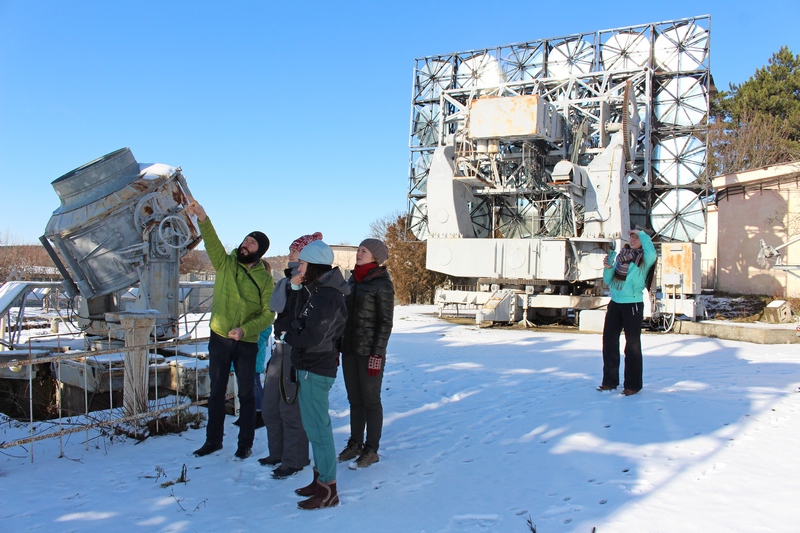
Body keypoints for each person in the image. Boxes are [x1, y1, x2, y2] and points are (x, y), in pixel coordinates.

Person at [184, 197, 274, 459]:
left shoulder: (264, 280)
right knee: (216, 393)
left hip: (246, 342)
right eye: (245, 240)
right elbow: (212, 241)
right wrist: (202, 216)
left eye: (252, 243)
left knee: (246, 395)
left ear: (260, 251)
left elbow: (268, 314)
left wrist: (245, 330)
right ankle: (213, 441)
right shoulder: (225, 264)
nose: (246, 245)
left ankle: (244, 444)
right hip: (220, 338)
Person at [284, 240, 349, 510]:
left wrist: (290, 335)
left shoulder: (328, 295)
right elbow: (299, 317)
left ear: (314, 265)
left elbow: (313, 333)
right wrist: (297, 288)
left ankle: (329, 490)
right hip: (309, 365)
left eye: (303, 263)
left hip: (316, 367)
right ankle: (319, 478)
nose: (299, 267)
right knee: (313, 427)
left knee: (319, 430)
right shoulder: (318, 290)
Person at [258, 232, 323, 480]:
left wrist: (296, 287)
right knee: (270, 405)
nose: (289, 256)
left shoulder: (311, 285)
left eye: (294, 253)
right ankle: (278, 452)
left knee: (290, 407)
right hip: (280, 347)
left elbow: (302, 317)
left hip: (295, 351)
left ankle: (295, 459)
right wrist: (288, 284)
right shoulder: (288, 281)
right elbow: (275, 307)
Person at [338, 238, 394, 469]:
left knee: (371, 401)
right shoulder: (353, 280)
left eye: (364, 250)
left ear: (375, 256)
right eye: (359, 250)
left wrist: (377, 355)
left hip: (369, 352)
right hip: (349, 349)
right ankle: (355, 443)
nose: (358, 253)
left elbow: (385, 323)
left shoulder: (382, 283)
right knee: (354, 400)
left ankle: (372, 449)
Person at [598, 229, 656, 396]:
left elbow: (651, 250)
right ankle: (609, 381)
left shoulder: (645, 259)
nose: (632, 239)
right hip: (615, 303)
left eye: (636, 237)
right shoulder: (622, 256)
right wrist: (608, 268)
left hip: (632, 304)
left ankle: (633, 385)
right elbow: (609, 280)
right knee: (609, 342)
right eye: (631, 236)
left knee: (632, 346)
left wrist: (641, 233)